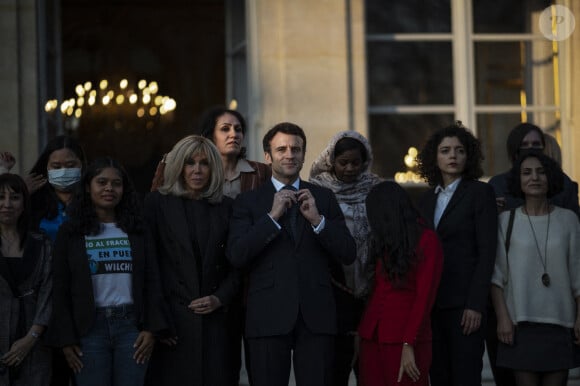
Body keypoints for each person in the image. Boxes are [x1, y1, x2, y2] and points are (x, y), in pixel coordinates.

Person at [228, 122, 356, 386]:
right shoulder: (248, 202)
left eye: (295, 149)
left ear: (303, 154)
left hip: (317, 315)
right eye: (281, 149)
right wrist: (272, 217)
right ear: (268, 156)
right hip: (267, 315)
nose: (289, 154)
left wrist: (318, 221)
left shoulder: (324, 197)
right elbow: (237, 254)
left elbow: (348, 252)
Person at [48, 158, 167, 386]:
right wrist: (66, 338)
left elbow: (153, 281)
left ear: (124, 189)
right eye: (101, 182)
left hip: (132, 329)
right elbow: (60, 287)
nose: (109, 189)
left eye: (116, 183)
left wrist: (152, 329)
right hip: (88, 330)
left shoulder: (138, 229)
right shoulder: (70, 231)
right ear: (87, 186)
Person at [486, 123, 580, 386]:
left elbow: (578, 273)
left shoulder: (569, 220)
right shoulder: (506, 221)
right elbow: (496, 277)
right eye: (526, 173)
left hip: (561, 323)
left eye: (540, 172)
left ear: (550, 177)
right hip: (519, 325)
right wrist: (503, 318)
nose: (534, 178)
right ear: (518, 179)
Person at [144, 135, 239, 386]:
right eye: (190, 163)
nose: (197, 170)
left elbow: (238, 264)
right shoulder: (156, 204)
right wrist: (158, 324)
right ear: (178, 166)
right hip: (171, 326)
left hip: (216, 325)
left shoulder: (227, 207)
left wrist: (220, 298)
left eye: (204, 163)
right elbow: (149, 266)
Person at [416, 122, 498, 386]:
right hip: (432, 304)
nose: (453, 156)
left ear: (468, 156)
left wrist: (475, 304)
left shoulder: (480, 193)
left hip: (465, 306)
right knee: (438, 375)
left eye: (460, 150)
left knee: (465, 376)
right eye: (446, 150)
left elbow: (487, 252)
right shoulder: (427, 200)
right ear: (434, 157)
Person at [309, 130, 382, 385]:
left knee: (368, 366)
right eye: (343, 163)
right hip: (332, 286)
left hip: (369, 285)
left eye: (356, 163)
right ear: (331, 161)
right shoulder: (317, 190)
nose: (350, 168)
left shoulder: (376, 188)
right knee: (335, 364)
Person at [358, 181, 443, 386]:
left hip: (405, 338)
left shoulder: (427, 241)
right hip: (373, 336)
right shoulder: (387, 242)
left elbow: (424, 298)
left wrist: (409, 342)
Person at [0, 173, 52, 385]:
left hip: (34, 345)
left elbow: (49, 295)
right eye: (0, 197)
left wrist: (30, 338)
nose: (7, 204)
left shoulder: (42, 244)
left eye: (14, 197)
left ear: (24, 203)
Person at [488, 123, 579, 217]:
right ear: (514, 150)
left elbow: (573, 221)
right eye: (524, 144)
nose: (530, 148)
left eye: (536, 144)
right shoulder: (498, 185)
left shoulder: (562, 182)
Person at [29, 135, 87, 241]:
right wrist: (22, 193)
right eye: (56, 166)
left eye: (70, 165)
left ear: (81, 164)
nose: (63, 171)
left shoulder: (92, 200)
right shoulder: (34, 202)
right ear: (46, 167)